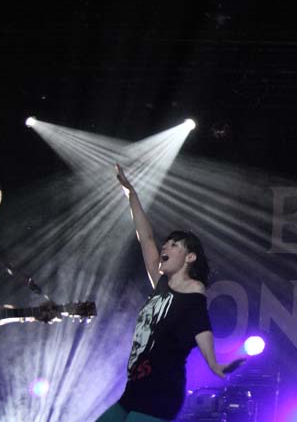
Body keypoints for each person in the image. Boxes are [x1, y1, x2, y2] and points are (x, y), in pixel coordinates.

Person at [95, 164, 243, 422]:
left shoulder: (194, 292)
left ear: (190, 257)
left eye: (175, 245)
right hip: (134, 390)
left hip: (160, 392)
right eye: (167, 242)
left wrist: (214, 363)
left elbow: (202, 328)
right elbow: (147, 237)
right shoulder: (162, 283)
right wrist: (132, 195)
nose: (166, 246)